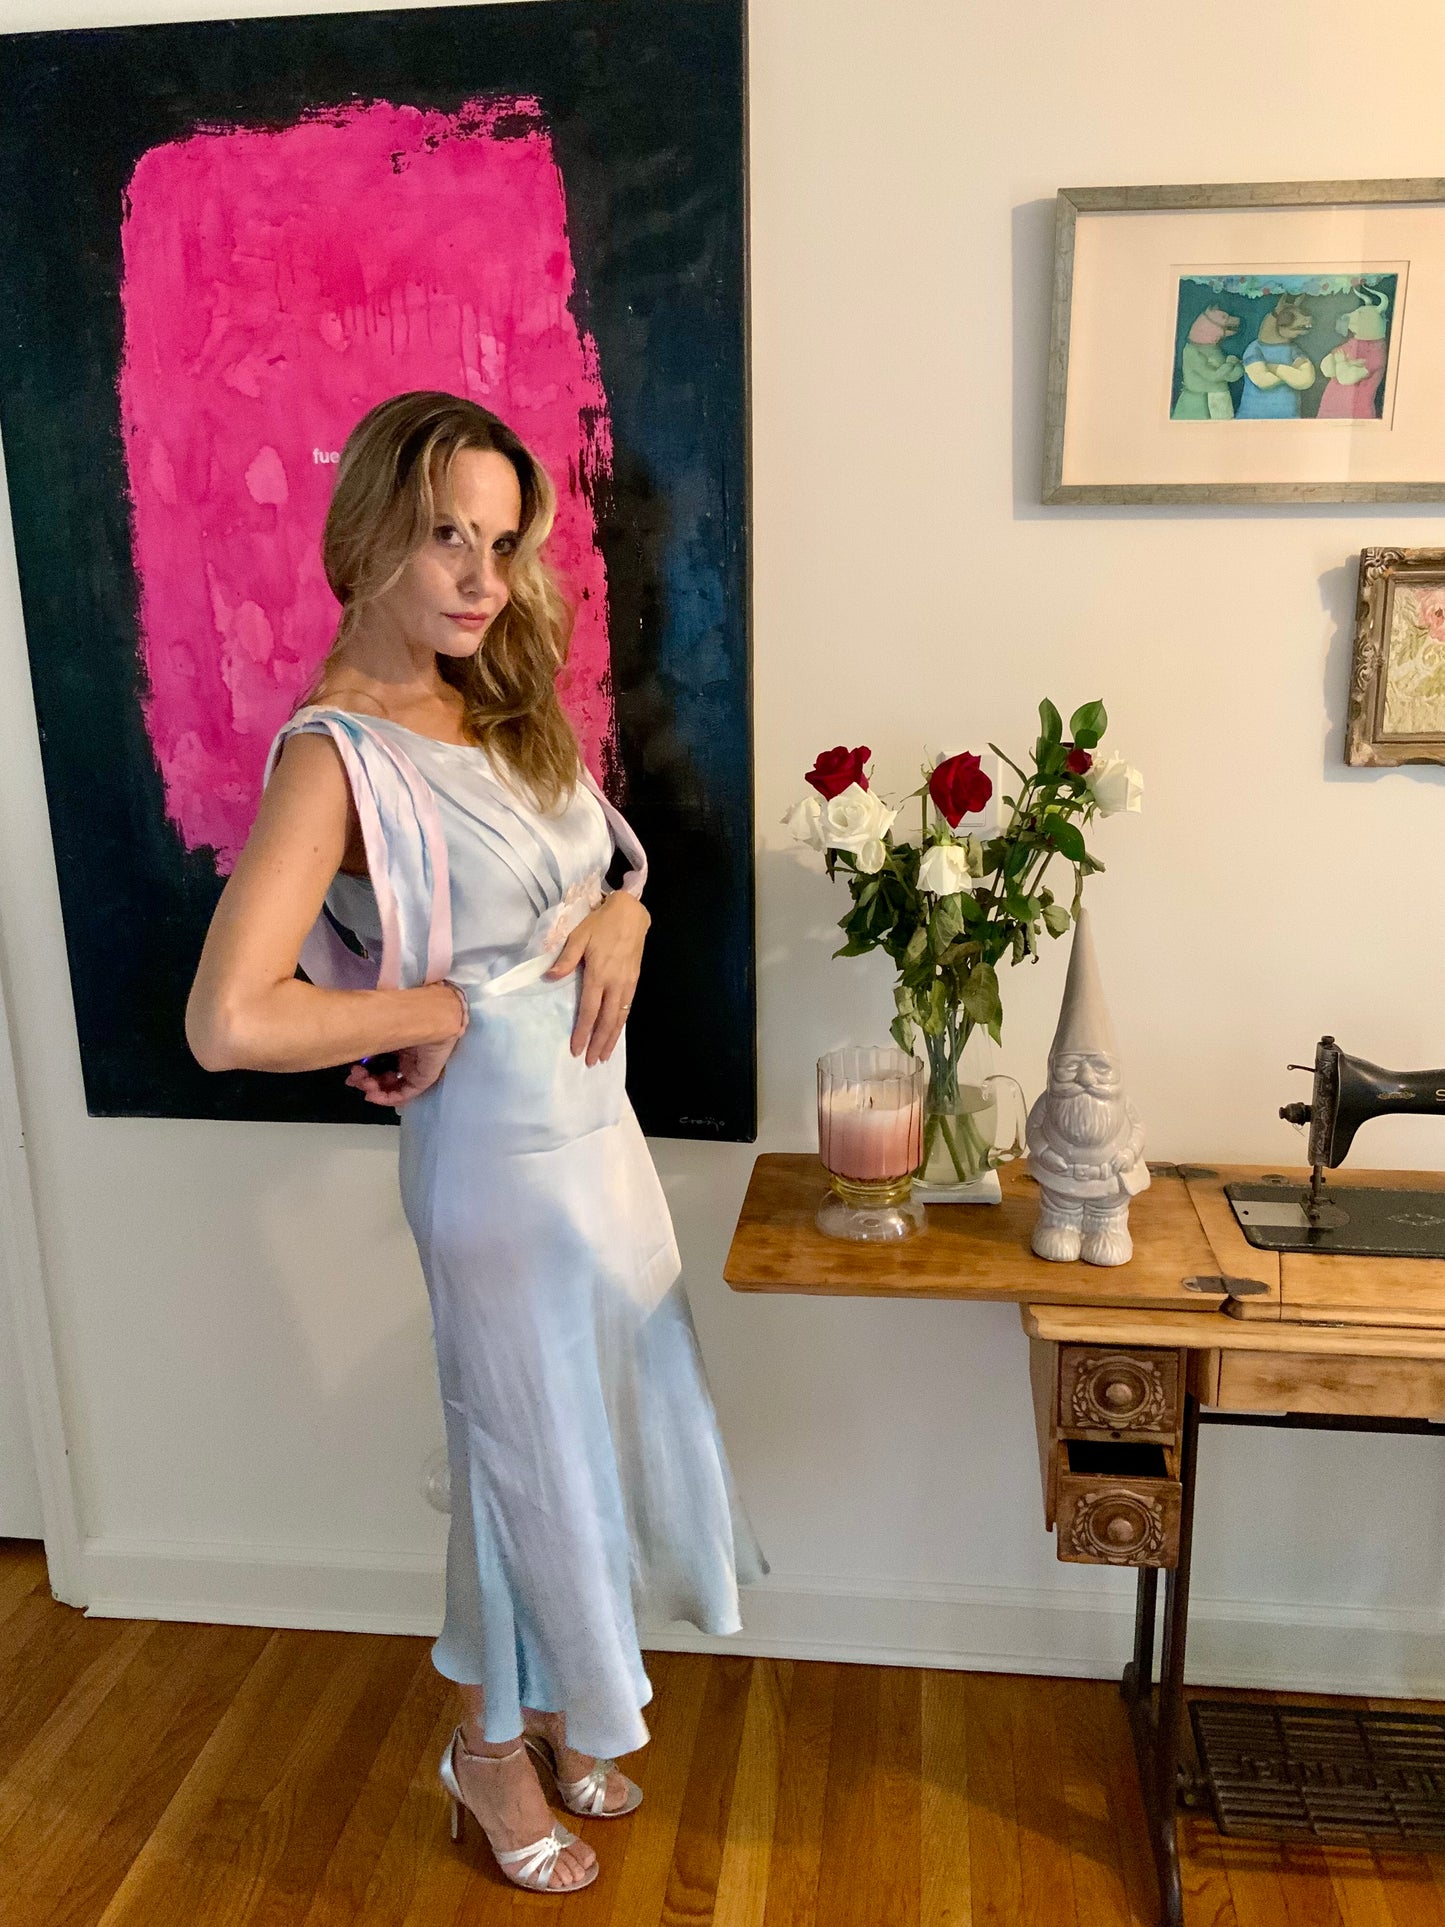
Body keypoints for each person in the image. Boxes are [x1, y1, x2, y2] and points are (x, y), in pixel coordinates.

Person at [186, 389, 763, 1895]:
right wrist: (430, 1003)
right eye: (447, 535)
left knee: (601, 1436)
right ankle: (488, 1750)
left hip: (596, 1140)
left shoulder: (494, 697)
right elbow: (229, 1018)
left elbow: (592, 877)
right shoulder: (336, 757)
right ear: (370, 527)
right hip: (494, 1169)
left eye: (502, 544)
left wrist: (629, 915)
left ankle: (563, 1706)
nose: (481, 577)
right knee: (525, 1460)